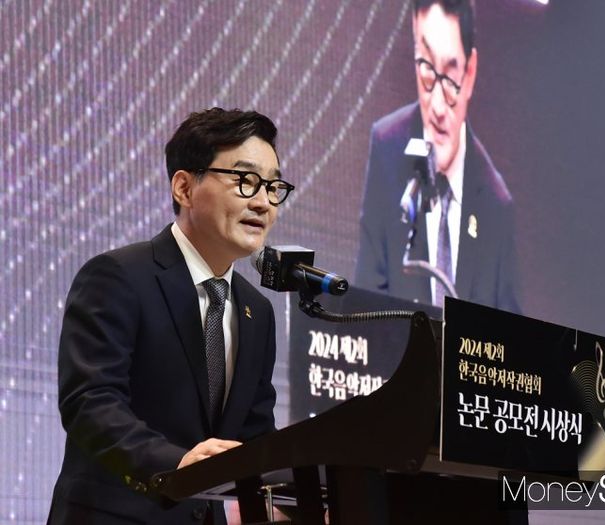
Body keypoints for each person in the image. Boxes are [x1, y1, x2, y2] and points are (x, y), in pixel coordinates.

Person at [47, 108, 295, 524]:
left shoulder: (258, 311)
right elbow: (89, 402)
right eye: (246, 180)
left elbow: (255, 437)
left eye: (273, 186)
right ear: (184, 187)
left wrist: (293, 500)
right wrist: (176, 464)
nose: (262, 202)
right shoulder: (119, 276)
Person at [355, 0, 520, 313]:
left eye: (451, 77)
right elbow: (365, 297)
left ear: (469, 73)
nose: (438, 107)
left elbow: (510, 334)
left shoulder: (496, 204)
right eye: (427, 70)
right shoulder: (388, 147)